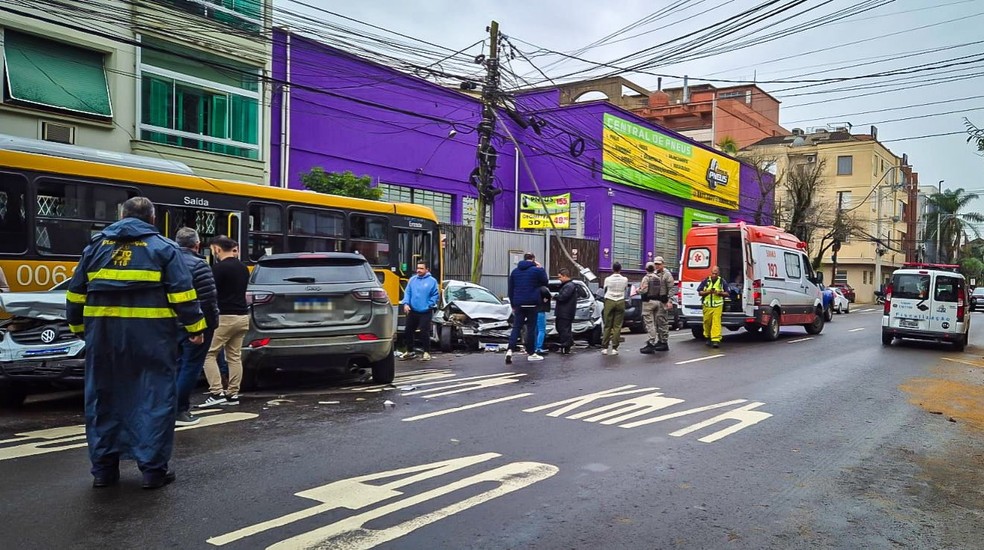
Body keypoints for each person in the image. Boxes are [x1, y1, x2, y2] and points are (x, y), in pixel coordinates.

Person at [65, 197, 206, 489]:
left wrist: (80, 329)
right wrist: (196, 328)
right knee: (154, 399)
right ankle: (153, 471)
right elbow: (183, 293)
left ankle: (104, 471)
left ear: (121, 216)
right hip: (151, 339)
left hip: (103, 338)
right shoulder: (163, 249)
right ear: (151, 219)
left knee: (103, 398)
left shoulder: (94, 248)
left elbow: (75, 294)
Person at [173, 227, 220, 427]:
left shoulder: (166, 262)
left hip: (168, 325)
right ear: (197, 244)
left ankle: (166, 408)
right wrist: (207, 326)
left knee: (173, 367)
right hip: (194, 325)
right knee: (190, 367)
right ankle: (179, 410)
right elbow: (208, 301)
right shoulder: (199, 265)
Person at [198, 236, 250, 407]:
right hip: (242, 317)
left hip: (224, 317)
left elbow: (212, 294)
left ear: (217, 249)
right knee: (234, 357)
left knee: (208, 354)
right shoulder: (243, 268)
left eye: (213, 249)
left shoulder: (218, 269)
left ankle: (216, 392)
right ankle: (233, 394)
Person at [506, 252, 548, 364]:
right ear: (533, 259)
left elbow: (511, 289)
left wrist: (513, 304)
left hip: (518, 303)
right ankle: (531, 352)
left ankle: (510, 350)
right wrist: (540, 268)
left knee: (516, 327)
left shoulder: (515, 272)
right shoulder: (537, 270)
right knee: (531, 328)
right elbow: (545, 282)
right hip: (532, 303)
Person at [400, 261, 439, 361]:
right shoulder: (412, 280)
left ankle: (426, 352)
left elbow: (435, 295)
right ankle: (409, 351)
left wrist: (429, 304)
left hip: (425, 311)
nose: (419, 270)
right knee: (408, 330)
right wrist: (406, 304)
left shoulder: (432, 281)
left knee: (424, 332)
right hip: (412, 310)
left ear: (427, 270)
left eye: (421, 268)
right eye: (418, 268)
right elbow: (407, 292)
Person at [640, 256, 675, 353]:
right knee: (656, 322)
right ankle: (659, 341)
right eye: (655, 264)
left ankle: (664, 342)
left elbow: (672, 288)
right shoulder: (654, 274)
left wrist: (670, 300)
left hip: (663, 300)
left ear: (663, 264)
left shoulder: (667, 275)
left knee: (662, 321)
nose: (657, 266)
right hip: (656, 300)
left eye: (659, 264)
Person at [600, 262, 628, 355]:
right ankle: (615, 348)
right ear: (620, 269)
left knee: (607, 325)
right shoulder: (625, 279)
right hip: (620, 300)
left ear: (612, 269)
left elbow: (605, 289)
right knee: (617, 326)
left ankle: (604, 347)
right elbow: (625, 289)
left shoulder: (608, 279)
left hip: (609, 300)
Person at [697, 265, 728, 348]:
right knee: (707, 322)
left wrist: (720, 293)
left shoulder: (722, 281)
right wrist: (708, 292)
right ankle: (707, 337)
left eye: (716, 273)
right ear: (711, 273)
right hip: (707, 305)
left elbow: (727, 293)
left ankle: (715, 340)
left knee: (716, 323)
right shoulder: (706, 281)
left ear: (719, 273)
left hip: (717, 306)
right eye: (713, 273)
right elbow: (699, 292)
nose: (714, 275)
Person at [554, 268, 577, 354]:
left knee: (564, 329)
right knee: (562, 328)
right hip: (565, 311)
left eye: (560, 277)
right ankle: (566, 344)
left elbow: (563, 297)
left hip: (565, 312)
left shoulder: (569, 286)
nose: (559, 279)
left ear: (565, 276)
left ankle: (566, 344)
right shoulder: (567, 285)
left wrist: (556, 296)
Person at [533, 280, 551, 356]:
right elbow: (548, 294)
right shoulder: (542, 288)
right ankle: (539, 348)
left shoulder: (532, 288)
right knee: (541, 330)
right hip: (540, 311)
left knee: (535, 330)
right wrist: (547, 298)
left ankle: (534, 347)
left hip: (533, 310)